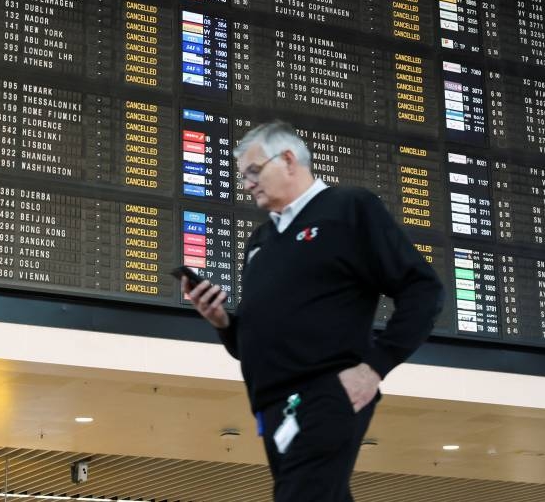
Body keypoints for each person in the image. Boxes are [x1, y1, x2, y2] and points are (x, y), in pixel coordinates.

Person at [181, 120, 444, 502]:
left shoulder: (349, 208)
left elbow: (423, 289)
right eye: (242, 176)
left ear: (288, 160)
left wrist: (374, 368)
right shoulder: (261, 241)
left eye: (254, 172)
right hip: (272, 410)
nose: (247, 183)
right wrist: (223, 322)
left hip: (327, 392)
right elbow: (251, 343)